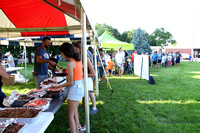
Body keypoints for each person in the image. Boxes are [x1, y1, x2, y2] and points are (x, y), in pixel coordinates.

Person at [53, 42, 84, 133]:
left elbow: (70, 82)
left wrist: (58, 86)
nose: (61, 55)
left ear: (66, 52)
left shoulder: (70, 63)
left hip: (75, 89)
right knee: (74, 112)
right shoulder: (77, 60)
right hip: (79, 87)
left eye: (61, 53)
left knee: (70, 115)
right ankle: (77, 129)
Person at [73, 41, 98, 132]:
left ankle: (85, 125)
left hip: (86, 82)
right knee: (76, 104)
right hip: (80, 82)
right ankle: (78, 124)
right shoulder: (78, 57)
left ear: (80, 49)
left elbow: (93, 73)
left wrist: (82, 75)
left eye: (75, 49)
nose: (74, 51)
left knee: (85, 104)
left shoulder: (86, 58)